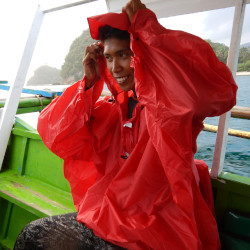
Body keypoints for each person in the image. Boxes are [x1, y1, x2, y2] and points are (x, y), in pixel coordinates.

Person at [14, 0, 237, 249]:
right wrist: (88, 83)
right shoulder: (112, 110)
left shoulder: (167, 109)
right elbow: (56, 133)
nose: (115, 67)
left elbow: (217, 93)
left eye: (123, 55)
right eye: (108, 57)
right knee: (32, 236)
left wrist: (149, 30)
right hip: (112, 215)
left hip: (161, 225)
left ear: (141, 55)